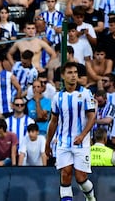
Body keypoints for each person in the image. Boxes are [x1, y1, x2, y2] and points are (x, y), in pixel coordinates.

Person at [45, 61, 96, 201]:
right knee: (66, 174)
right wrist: (47, 143)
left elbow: (92, 117)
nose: (73, 76)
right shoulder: (57, 97)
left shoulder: (86, 94)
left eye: (75, 72)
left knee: (81, 178)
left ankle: (91, 198)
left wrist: (83, 135)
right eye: (70, 73)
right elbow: (53, 121)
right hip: (63, 142)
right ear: (63, 76)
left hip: (81, 143)